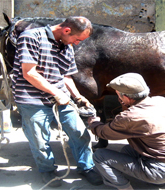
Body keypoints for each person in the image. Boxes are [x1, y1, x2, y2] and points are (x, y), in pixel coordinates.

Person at [12, 16, 103, 187]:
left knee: (79, 132)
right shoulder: (31, 37)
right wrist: (55, 92)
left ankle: (86, 167)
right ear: (66, 30)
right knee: (39, 139)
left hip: (60, 97)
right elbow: (29, 73)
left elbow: (66, 75)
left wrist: (77, 96)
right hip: (32, 99)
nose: (77, 44)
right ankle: (47, 170)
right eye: (77, 39)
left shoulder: (66, 44)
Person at [88, 73, 165, 190]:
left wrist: (93, 123)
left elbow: (103, 132)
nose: (118, 97)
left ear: (127, 98)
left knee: (100, 156)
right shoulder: (161, 100)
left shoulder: (131, 116)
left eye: (118, 95)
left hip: (161, 170)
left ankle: (125, 188)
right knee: (127, 150)